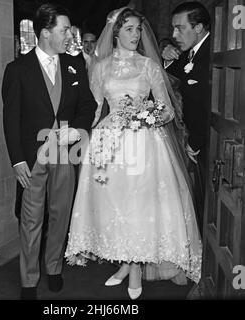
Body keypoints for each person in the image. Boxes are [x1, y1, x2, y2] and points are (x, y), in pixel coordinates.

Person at [65, 7, 202, 300]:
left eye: (139, 30)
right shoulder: (100, 67)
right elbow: (93, 109)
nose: (136, 35)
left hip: (144, 142)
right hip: (109, 141)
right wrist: (82, 139)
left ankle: (136, 267)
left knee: (139, 203)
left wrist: (144, 116)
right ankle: (125, 262)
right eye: (129, 29)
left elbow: (166, 109)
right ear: (115, 33)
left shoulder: (148, 65)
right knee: (115, 203)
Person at [2, 3, 96, 300]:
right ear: (45, 33)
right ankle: (29, 280)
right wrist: (17, 160)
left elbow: (88, 106)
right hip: (32, 158)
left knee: (60, 214)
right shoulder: (17, 69)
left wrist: (78, 130)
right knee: (31, 220)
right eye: (64, 29)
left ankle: (53, 268)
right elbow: (10, 119)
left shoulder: (75, 64)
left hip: (66, 156)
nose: (70, 35)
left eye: (69, 29)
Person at [161, 2, 211, 234]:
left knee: (208, 208)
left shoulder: (213, 54)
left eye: (180, 28)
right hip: (190, 143)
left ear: (199, 27)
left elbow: (209, 104)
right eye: (173, 28)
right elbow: (172, 81)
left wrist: (195, 142)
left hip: (206, 146)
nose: (174, 35)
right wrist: (167, 58)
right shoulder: (188, 54)